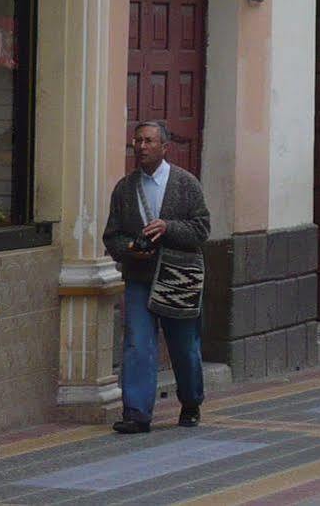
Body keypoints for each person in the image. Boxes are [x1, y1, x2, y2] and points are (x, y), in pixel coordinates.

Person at [104, 120, 211, 434]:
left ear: (165, 147)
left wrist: (168, 227)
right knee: (138, 344)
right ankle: (137, 413)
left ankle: (191, 402)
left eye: (149, 141)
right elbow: (112, 237)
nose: (142, 147)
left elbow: (202, 229)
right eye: (138, 141)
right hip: (140, 277)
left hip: (178, 278)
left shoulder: (186, 184)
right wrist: (130, 249)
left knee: (184, 345)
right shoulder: (125, 188)